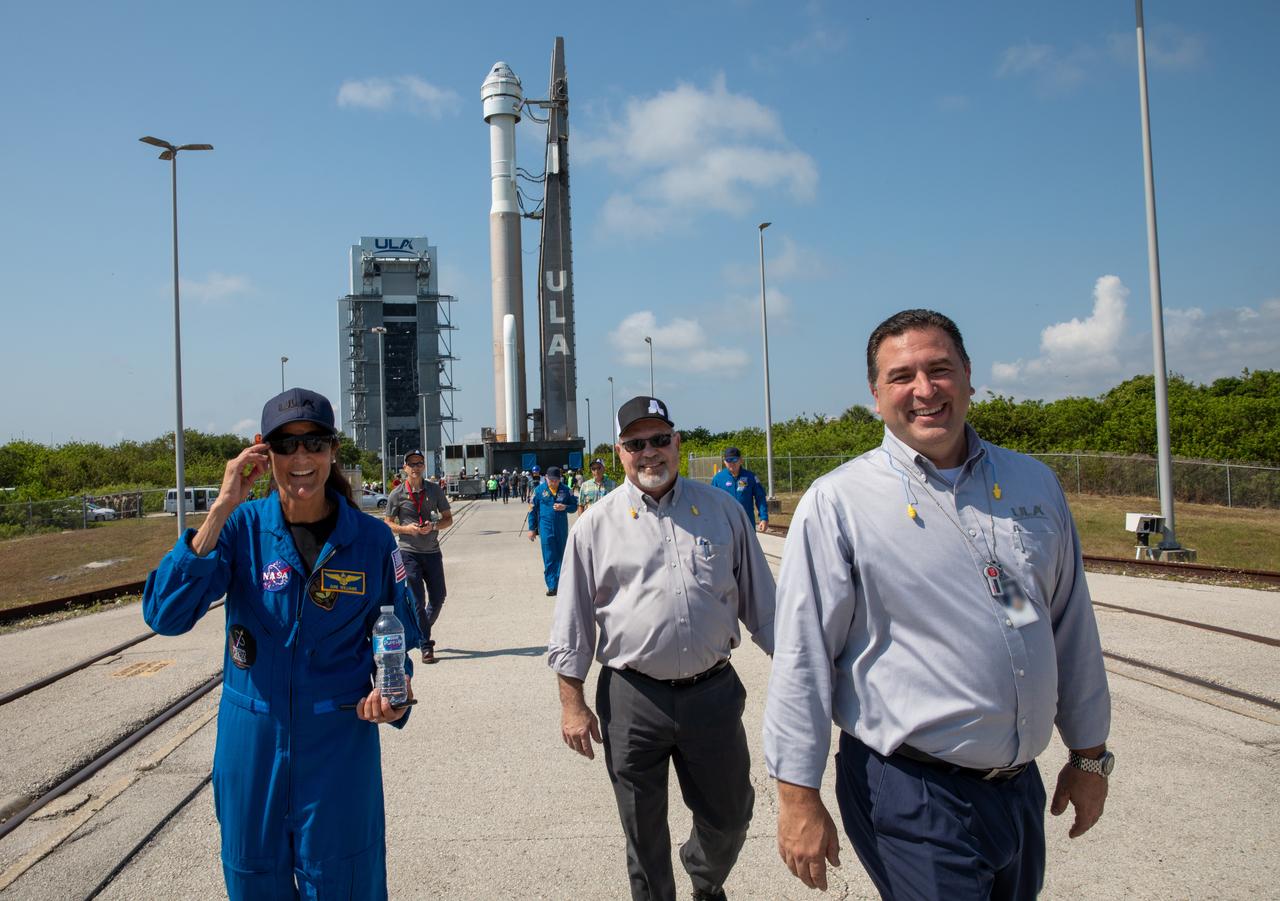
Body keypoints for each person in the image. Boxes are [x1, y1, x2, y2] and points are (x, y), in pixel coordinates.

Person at [763, 310, 1113, 899]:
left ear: (969, 378)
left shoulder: (1033, 484)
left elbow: (1063, 626)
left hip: (1019, 788)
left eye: (939, 369)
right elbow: (803, 656)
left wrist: (1089, 755)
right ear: (876, 396)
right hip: (913, 792)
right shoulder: (839, 503)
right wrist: (798, 794)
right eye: (902, 377)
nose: (924, 390)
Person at [142, 388, 421, 900]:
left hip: (338, 747)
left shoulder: (371, 541)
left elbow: (397, 642)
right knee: (254, 884)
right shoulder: (240, 530)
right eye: (285, 445)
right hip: (252, 748)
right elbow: (165, 615)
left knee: (347, 883)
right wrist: (221, 508)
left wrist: (393, 698)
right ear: (262, 452)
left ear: (333, 450)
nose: (300, 459)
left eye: (313, 443)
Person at [549, 396, 777, 901]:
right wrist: (572, 703)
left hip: (712, 693)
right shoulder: (595, 525)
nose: (649, 452)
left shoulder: (722, 512)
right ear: (619, 452)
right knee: (642, 830)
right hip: (633, 698)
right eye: (636, 443)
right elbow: (573, 623)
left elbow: (766, 607)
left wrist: (804, 672)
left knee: (732, 814)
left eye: (659, 440)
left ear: (677, 443)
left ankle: (703, 872)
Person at [384, 450, 453, 664]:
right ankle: (425, 645)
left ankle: (421, 629)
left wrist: (433, 526)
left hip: (432, 551)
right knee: (417, 601)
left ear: (424, 466)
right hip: (409, 552)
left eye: (419, 463)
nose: (415, 467)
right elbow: (387, 523)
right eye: (411, 464)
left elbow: (448, 519)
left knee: (439, 597)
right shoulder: (397, 494)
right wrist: (406, 529)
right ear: (404, 468)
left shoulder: (434, 490)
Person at [526, 465, 577, 596]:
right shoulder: (538, 491)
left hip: (561, 528)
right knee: (549, 557)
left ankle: (561, 584)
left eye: (556, 480)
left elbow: (574, 507)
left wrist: (564, 507)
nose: (553, 482)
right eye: (551, 480)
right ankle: (552, 586)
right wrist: (531, 529)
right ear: (546, 478)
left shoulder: (566, 490)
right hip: (546, 528)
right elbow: (532, 510)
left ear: (560, 479)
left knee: (561, 556)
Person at [710, 446, 770, 533]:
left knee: (748, 546)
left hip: (746, 523)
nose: (732, 463)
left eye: (734, 460)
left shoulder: (750, 477)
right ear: (724, 462)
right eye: (729, 460)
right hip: (725, 524)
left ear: (741, 460)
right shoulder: (718, 479)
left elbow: (760, 498)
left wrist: (764, 518)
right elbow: (712, 501)